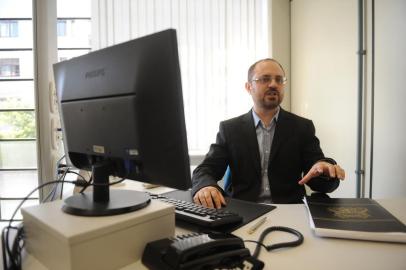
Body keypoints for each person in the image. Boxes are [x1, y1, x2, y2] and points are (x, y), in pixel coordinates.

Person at [192, 58, 345, 209]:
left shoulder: (302, 127)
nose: (273, 84)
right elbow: (206, 169)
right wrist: (205, 186)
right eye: (265, 79)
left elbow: (317, 173)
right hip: (243, 210)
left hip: (290, 211)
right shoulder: (230, 129)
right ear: (248, 87)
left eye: (279, 80)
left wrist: (325, 170)